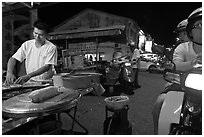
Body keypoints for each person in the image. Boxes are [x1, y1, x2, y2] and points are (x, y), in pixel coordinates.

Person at [152, 7, 202, 134]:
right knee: (160, 102)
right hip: (181, 84)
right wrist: (194, 63)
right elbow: (176, 65)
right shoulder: (182, 47)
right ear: (190, 30)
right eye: (200, 24)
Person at [5, 20, 58, 85]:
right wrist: (9, 72)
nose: (37, 37)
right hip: (32, 82)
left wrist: (29, 75)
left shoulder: (51, 47)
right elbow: (13, 59)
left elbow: (46, 67)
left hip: (47, 81)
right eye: (35, 33)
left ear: (46, 35)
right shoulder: (27, 45)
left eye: (40, 35)